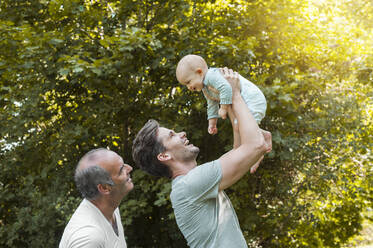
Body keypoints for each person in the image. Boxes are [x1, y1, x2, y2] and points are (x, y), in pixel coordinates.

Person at [132, 68, 272, 248]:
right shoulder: (190, 184)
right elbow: (255, 145)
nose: (182, 133)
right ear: (164, 155)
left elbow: (241, 148)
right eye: (172, 135)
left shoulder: (194, 182)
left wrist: (226, 100)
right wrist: (235, 93)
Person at [59, 148, 134, 248]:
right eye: (121, 170)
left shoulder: (111, 208)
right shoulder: (89, 238)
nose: (129, 168)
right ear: (104, 188)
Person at [176, 54, 267, 135]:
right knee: (239, 126)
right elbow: (212, 104)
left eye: (188, 82)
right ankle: (264, 135)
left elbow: (226, 88)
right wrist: (212, 123)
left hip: (253, 99)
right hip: (246, 102)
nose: (188, 87)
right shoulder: (206, 88)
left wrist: (223, 108)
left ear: (199, 72)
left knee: (246, 130)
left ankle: (260, 140)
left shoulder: (211, 76)